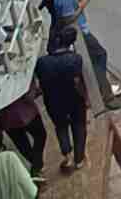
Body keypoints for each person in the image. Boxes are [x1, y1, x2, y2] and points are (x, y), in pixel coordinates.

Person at [34, 26, 89, 172]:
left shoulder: (41, 63)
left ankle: (67, 155)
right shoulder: (75, 59)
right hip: (74, 100)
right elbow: (77, 82)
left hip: (53, 102)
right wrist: (86, 98)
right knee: (79, 126)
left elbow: (39, 84)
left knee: (61, 126)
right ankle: (79, 159)